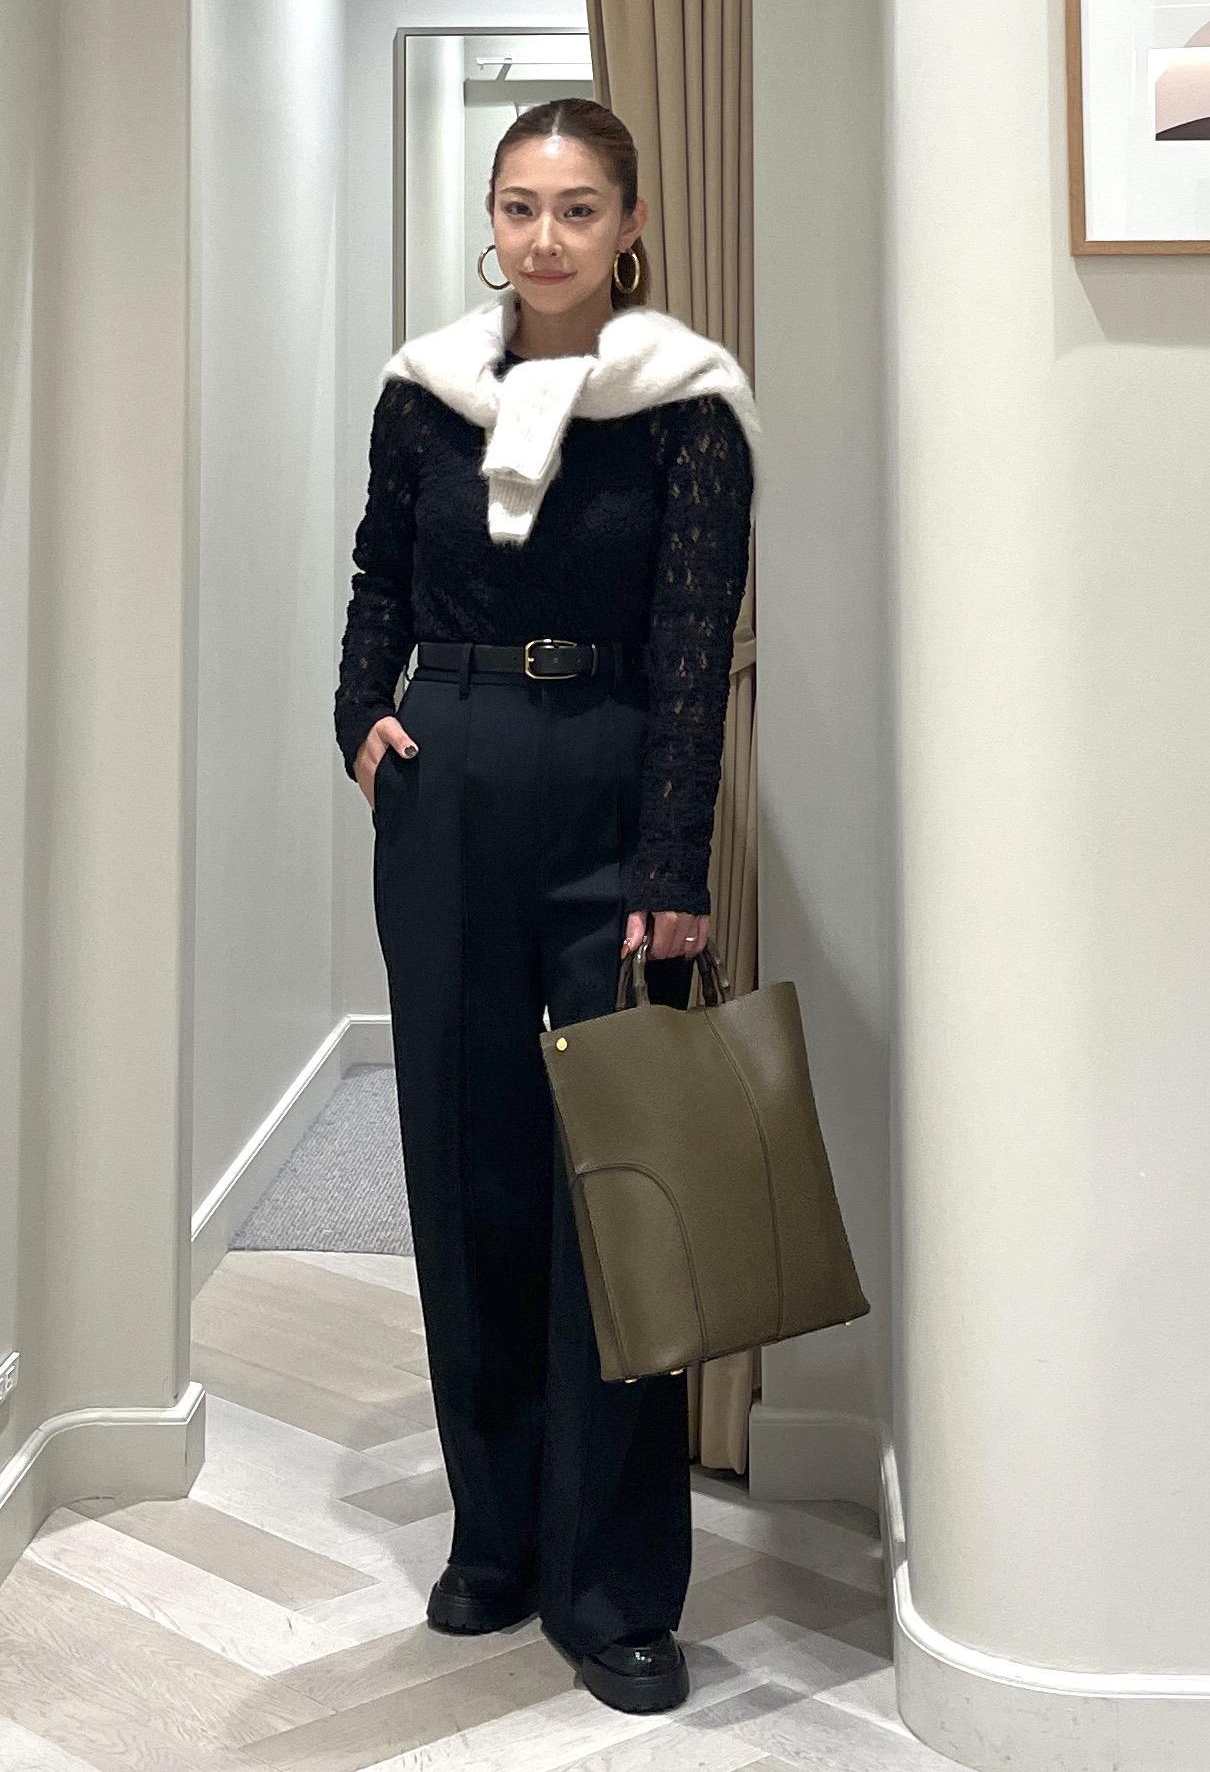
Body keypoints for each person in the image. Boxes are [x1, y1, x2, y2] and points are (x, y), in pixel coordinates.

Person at [332, 97, 759, 1716]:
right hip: (446, 782)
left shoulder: (687, 406)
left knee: (619, 1191)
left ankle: (618, 1586)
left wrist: (672, 867)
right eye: (521, 206)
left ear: (629, 223)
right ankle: (497, 1535)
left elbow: (696, 649)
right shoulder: (425, 391)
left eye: (579, 208)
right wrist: (360, 717)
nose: (546, 236)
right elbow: (378, 573)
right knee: (469, 1167)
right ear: (493, 221)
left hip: (612, 788)